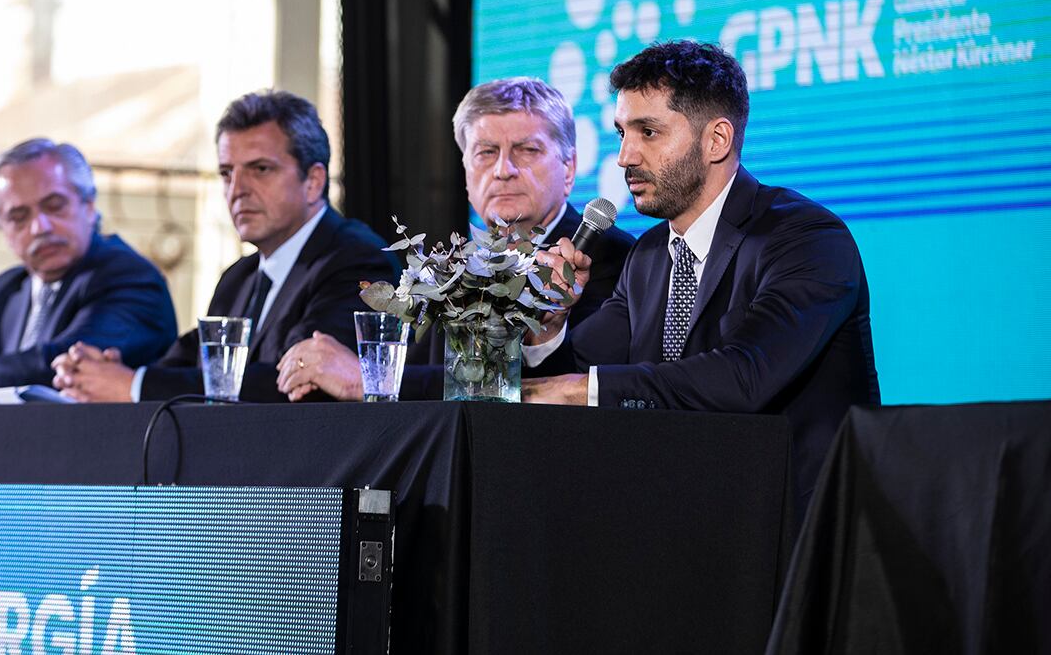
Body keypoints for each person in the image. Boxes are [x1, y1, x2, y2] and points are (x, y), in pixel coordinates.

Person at [526, 40, 879, 509]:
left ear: (717, 140)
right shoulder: (649, 254)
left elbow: (745, 376)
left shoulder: (806, 238)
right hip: (682, 521)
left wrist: (580, 389)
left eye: (648, 132)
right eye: (621, 133)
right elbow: (573, 379)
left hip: (795, 534)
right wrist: (547, 331)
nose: (624, 157)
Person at [275, 76, 636, 401]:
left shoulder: (610, 258)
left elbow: (575, 388)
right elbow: (428, 379)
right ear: (465, 173)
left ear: (569, 168)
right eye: (486, 152)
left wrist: (369, 380)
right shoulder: (453, 265)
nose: (503, 170)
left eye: (527, 150)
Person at [52, 89, 398, 403]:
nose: (236, 190)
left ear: (313, 182)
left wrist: (133, 385)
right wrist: (105, 371)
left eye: (260, 169)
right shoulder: (240, 276)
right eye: (226, 173)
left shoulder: (357, 261)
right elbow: (184, 363)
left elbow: (299, 382)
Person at [0, 139, 177, 391]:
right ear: (1, 229)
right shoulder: (0, 292)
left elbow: (67, 363)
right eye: (19, 217)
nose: (40, 227)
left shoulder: (131, 277)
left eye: (54, 206)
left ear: (89, 205)